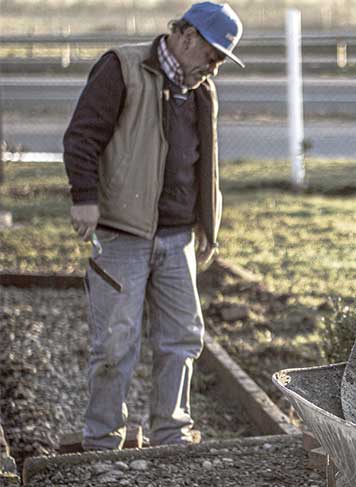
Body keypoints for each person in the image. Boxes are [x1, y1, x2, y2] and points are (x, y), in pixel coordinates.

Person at [63, 2, 244, 450]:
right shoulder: (120, 68)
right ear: (186, 37)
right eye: (214, 54)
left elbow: (205, 163)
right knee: (114, 344)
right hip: (123, 232)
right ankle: (103, 440)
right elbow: (81, 137)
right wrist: (85, 198)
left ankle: (172, 436)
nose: (215, 66)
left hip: (178, 236)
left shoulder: (201, 89)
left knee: (182, 338)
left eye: (222, 59)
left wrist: (208, 223)